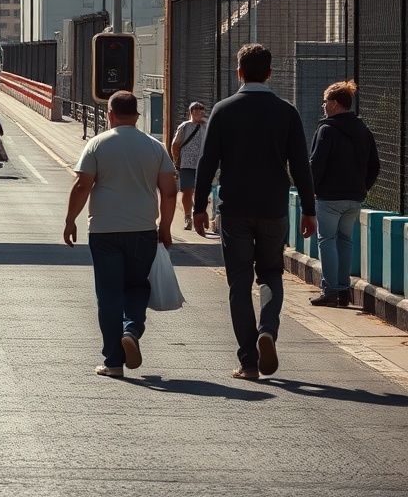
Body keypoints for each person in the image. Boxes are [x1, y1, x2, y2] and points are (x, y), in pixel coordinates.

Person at [193, 44, 316, 381]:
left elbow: (207, 162)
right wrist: (309, 209)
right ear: (270, 73)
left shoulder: (223, 110)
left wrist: (198, 207)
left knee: (239, 281)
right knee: (271, 273)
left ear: (239, 72)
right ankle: (268, 330)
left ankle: (248, 362)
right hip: (274, 208)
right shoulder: (286, 112)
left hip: (235, 210)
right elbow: (300, 166)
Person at [63, 91, 177, 378]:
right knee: (137, 287)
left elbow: (82, 186)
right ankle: (131, 331)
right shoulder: (155, 147)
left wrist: (70, 220)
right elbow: (169, 192)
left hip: (104, 231)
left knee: (109, 293)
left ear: (110, 114)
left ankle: (113, 362)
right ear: (137, 116)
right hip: (142, 230)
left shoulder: (97, 144)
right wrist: (165, 228)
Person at [308, 80, 380, 307]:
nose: (323, 106)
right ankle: (344, 291)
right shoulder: (363, 130)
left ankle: (330, 290)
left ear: (335, 104)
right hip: (354, 197)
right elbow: (374, 165)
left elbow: (316, 165)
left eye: (325, 101)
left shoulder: (326, 130)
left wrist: (312, 191)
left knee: (327, 240)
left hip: (330, 197)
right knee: (345, 241)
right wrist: (363, 187)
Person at [170, 101, 206, 230]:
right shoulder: (185, 126)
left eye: (201, 111)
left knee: (200, 192)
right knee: (187, 191)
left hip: (202, 163)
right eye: (196, 111)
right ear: (191, 113)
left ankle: (200, 216)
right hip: (186, 163)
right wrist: (176, 161)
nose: (199, 114)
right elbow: (175, 145)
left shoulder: (206, 127)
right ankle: (188, 217)